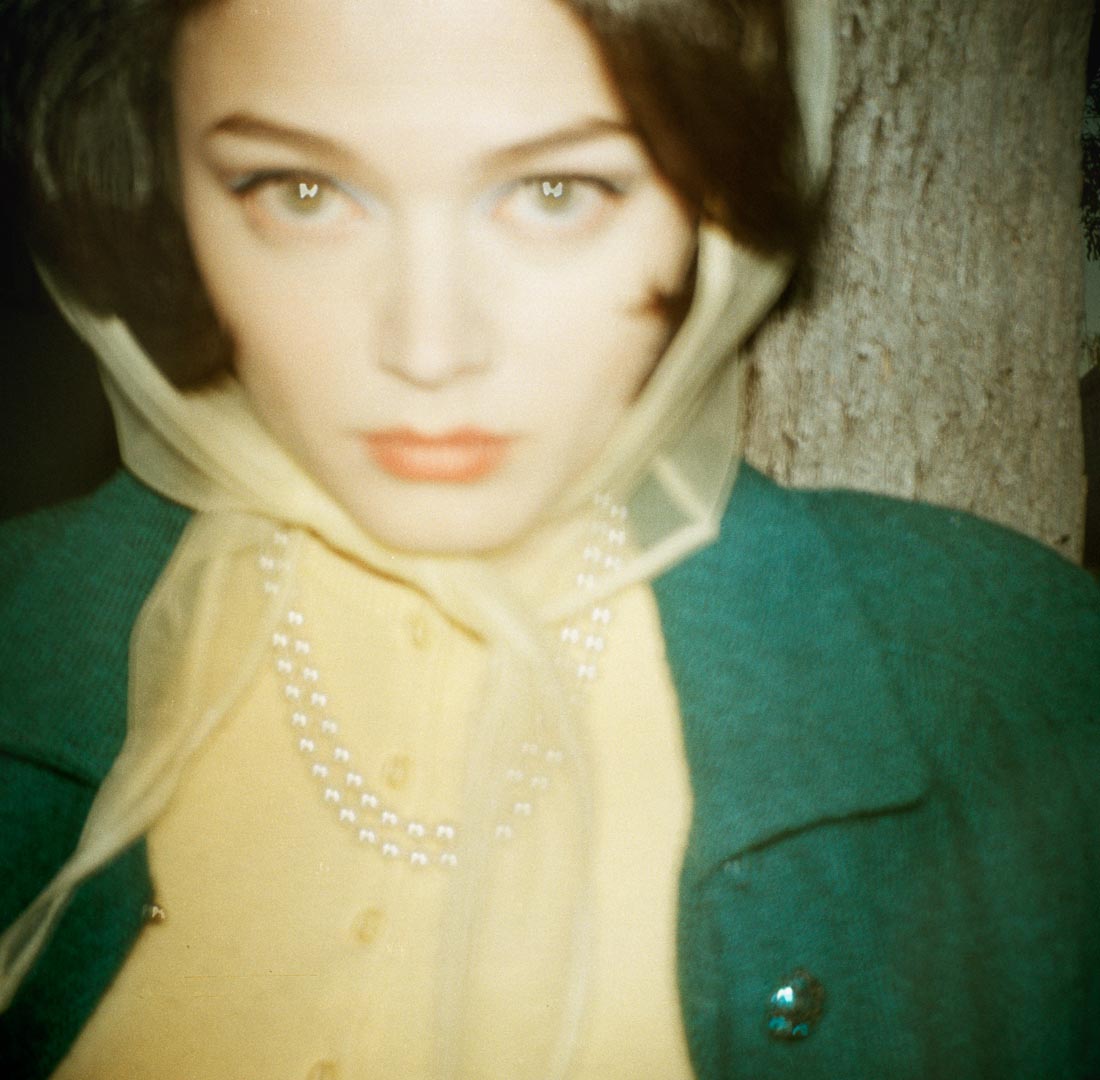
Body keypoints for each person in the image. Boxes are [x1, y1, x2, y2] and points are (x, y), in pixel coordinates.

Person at [0, 1, 1097, 1078]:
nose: (429, 348)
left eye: (554, 192)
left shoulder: (1009, 681)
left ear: (710, 200)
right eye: (303, 192)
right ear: (161, 188)